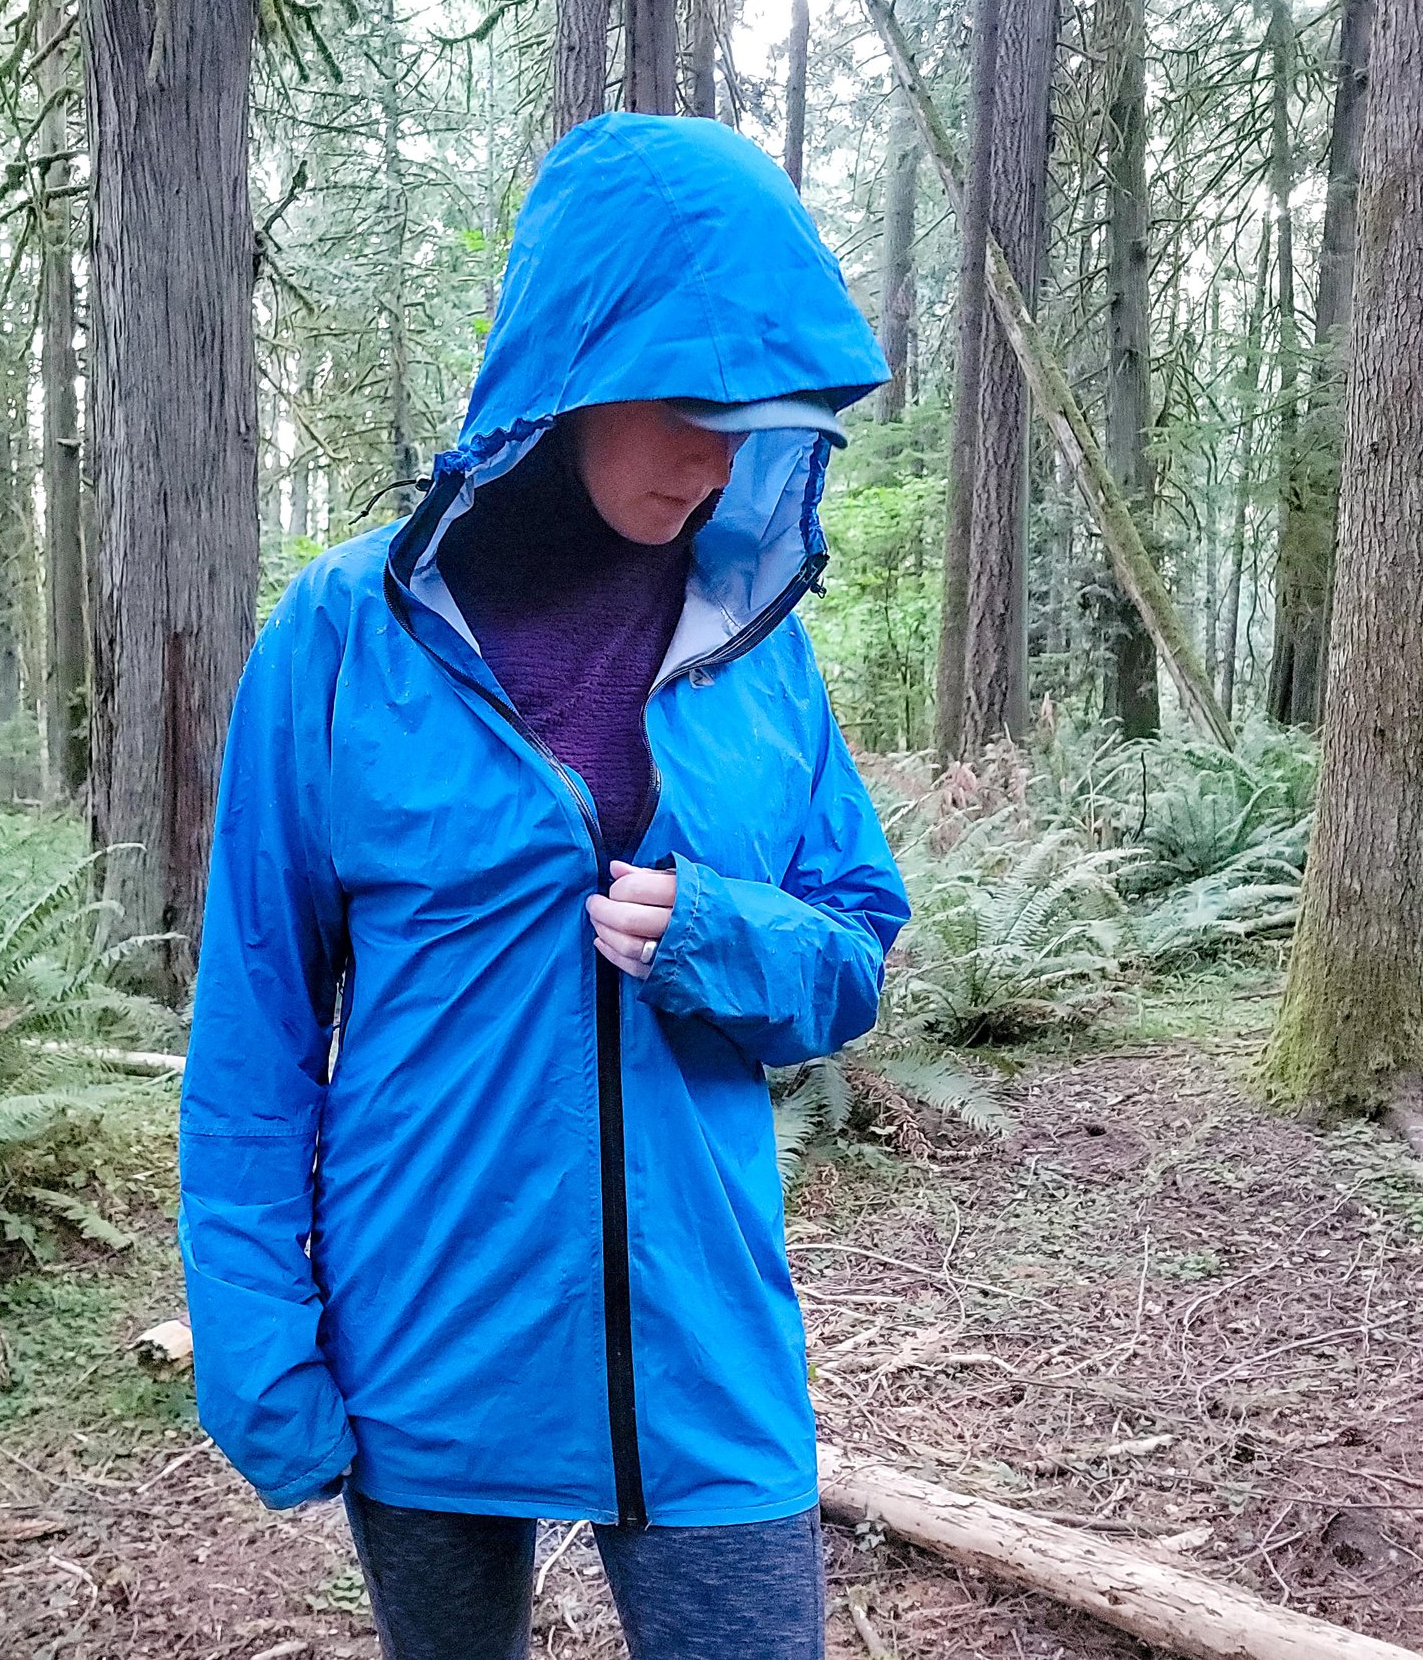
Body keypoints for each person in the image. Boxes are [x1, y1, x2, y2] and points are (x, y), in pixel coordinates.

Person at [179, 111, 909, 1660]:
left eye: (753, 411)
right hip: (431, 1328)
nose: (716, 456)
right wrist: (258, 1332)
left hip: (702, 1348)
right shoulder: (338, 639)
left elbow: (854, 951)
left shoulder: (758, 652)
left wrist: (724, 933)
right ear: (569, 368)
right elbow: (253, 1021)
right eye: (684, 401)